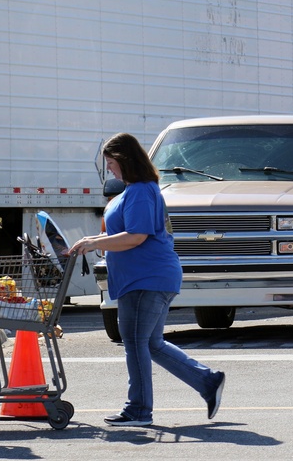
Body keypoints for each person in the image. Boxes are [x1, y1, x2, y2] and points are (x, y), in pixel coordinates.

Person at [69, 133, 225, 427]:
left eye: (112, 163)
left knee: (136, 343)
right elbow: (131, 233)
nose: (110, 170)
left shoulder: (141, 191)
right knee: (151, 343)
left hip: (145, 279)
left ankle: (139, 409)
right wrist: (92, 240)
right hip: (148, 277)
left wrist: (94, 243)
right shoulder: (137, 190)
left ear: (125, 160)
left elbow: (137, 236)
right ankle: (207, 381)